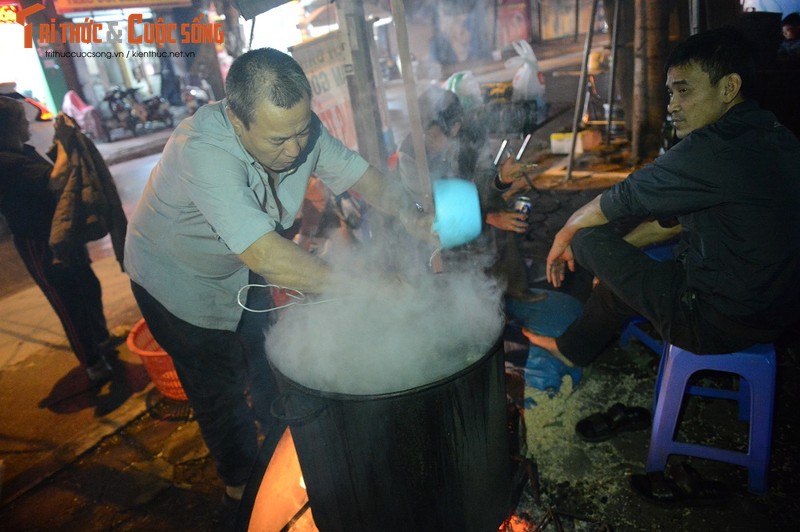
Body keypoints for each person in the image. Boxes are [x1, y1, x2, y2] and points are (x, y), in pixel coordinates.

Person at [123, 48, 432, 503]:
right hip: (177, 282)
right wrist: (373, 287)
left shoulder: (296, 129)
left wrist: (412, 213)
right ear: (236, 117)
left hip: (239, 272)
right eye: (277, 141)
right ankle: (242, 490)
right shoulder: (203, 151)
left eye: (301, 132)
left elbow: (360, 176)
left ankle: (282, 452)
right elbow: (267, 254)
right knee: (219, 392)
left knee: (268, 359)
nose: (293, 151)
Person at [522, 27, 800, 369]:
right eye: (671, 93)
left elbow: (625, 196)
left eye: (684, 91)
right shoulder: (773, 132)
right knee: (621, 276)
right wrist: (620, 259)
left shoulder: (712, 148)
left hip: (717, 322)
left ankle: (574, 344)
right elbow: (669, 225)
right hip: (776, 311)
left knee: (585, 237)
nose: (672, 106)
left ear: (729, 87)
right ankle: (572, 349)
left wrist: (566, 232)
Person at [0, 97, 124, 384]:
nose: (26, 124)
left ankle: (102, 340)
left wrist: (62, 145)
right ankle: (93, 362)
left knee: (87, 287)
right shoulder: (6, 163)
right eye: (21, 120)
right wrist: (68, 141)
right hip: (39, 241)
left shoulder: (24, 152)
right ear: (7, 127)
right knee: (68, 302)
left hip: (63, 232)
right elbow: (54, 180)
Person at [396, 86, 542, 301]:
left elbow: (484, 181)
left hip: (461, 198)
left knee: (498, 206)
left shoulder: (473, 132)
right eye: (423, 133)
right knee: (477, 225)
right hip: (424, 213)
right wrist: (486, 218)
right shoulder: (410, 152)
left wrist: (501, 179)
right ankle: (454, 294)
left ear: (455, 128)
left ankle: (511, 284)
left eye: (433, 135)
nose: (426, 140)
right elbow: (424, 207)